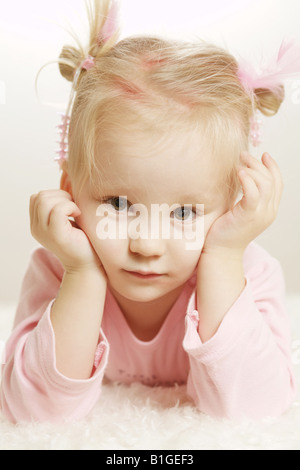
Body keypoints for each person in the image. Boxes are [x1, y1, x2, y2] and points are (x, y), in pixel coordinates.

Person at [0, 0, 298, 423]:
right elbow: (33, 414)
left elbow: (255, 409)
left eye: (184, 213)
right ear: (70, 191)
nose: (146, 243)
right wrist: (82, 274)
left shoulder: (248, 273)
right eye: (118, 205)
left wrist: (225, 258)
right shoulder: (58, 269)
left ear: (231, 207)